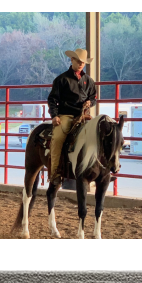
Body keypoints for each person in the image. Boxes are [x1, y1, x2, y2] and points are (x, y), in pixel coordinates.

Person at [47, 48, 97, 185]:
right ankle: (55, 173)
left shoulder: (89, 80)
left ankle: (99, 171)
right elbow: (52, 99)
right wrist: (55, 115)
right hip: (66, 115)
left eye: (83, 62)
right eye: (79, 61)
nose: (81, 64)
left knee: (98, 136)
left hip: (84, 116)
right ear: (72, 60)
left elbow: (94, 98)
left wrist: (90, 102)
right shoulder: (62, 79)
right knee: (57, 139)